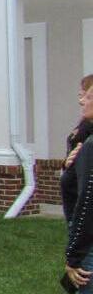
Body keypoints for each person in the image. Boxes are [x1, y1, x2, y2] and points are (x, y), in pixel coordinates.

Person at [62, 83, 93, 294]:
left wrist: (73, 257)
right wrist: (70, 166)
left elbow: (88, 202)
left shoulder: (90, 146)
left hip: (88, 242)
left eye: (89, 97)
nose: (82, 101)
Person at [60, 75, 93, 223]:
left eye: (88, 97)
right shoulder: (84, 126)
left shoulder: (87, 132)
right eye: (82, 96)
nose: (81, 101)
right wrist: (69, 163)